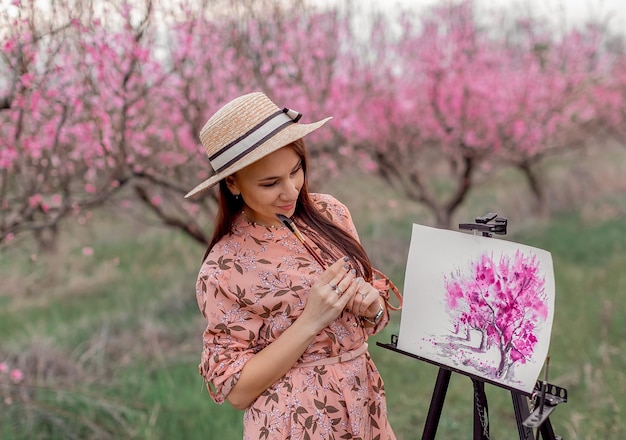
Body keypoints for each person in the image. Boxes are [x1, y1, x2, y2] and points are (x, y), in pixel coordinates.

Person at [186, 92, 400, 439]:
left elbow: (372, 320)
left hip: (366, 408)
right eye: (270, 183)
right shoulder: (223, 268)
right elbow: (237, 391)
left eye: (295, 171)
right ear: (232, 183)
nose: (290, 192)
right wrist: (311, 319)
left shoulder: (331, 214)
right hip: (294, 423)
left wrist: (372, 307)